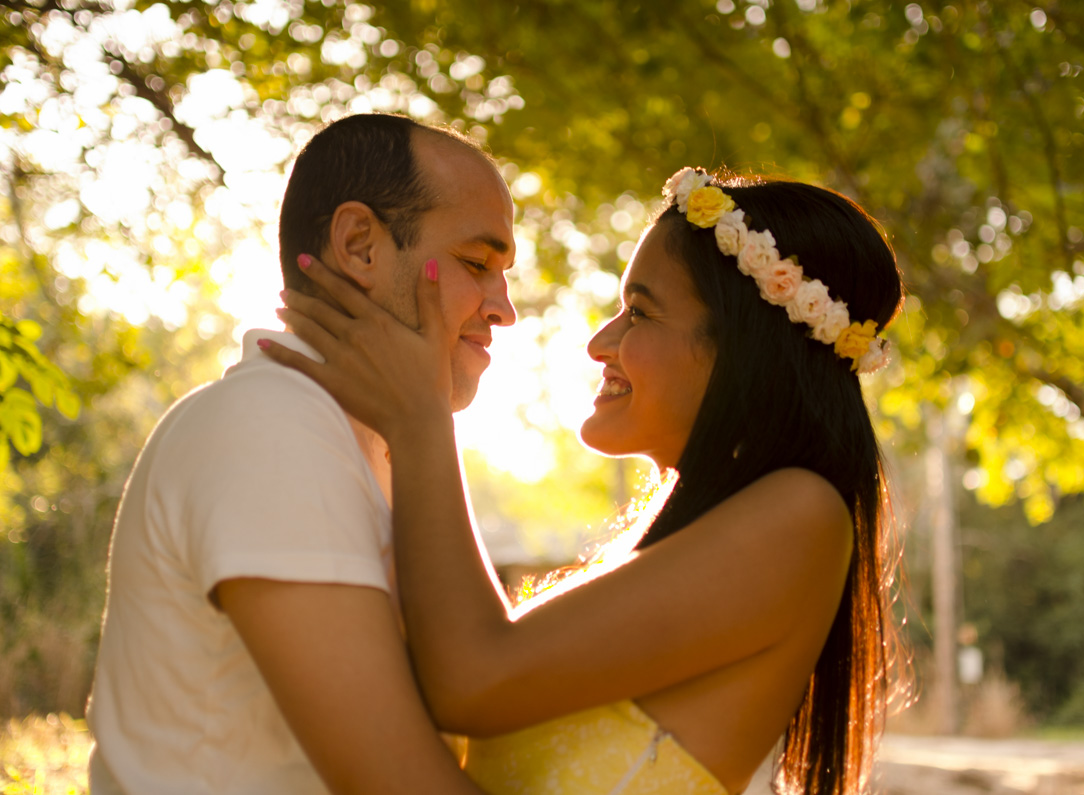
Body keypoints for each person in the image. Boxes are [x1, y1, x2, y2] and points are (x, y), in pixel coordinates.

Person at [264, 167, 905, 794]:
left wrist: (421, 420)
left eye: (640, 313)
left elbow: (470, 679)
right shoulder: (707, 534)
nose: (601, 343)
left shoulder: (802, 518)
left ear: (745, 352)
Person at [85, 113, 517, 794]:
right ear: (359, 245)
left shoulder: (372, 444)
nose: (505, 308)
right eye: (476, 263)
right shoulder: (271, 425)